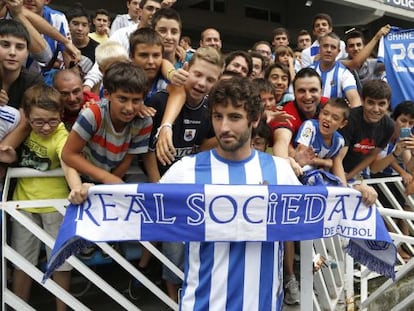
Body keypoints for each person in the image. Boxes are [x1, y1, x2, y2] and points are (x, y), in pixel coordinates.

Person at [145, 46, 222, 302]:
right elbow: (145, 151)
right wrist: (159, 186)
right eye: (198, 74)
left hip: (189, 189)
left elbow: (204, 146)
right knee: (174, 244)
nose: (202, 83)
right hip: (158, 186)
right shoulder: (160, 101)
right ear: (186, 70)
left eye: (210, 79)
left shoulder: (210, 111)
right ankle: (170, 294)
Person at [10, 84, 82, 311]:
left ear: (61, 115)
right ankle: (18, 306)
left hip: (56, 207)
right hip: (23, 205)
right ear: (27, 117)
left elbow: (68, 162)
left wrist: (76, 189)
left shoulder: (62, 135)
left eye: (52, 120)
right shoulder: (22, 130)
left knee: (60, 263)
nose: (45, 127)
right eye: (38, 121)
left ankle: (62, 308)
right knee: (22, 262)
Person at [61, 61, 153, 184]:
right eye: (122, 99)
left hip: (115, 177)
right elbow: (68, 154)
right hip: (83, 179)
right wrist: (105, 178)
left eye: (136, 101)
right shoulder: (93, 115)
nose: (129, 108)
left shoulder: (144, 122)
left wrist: (109, 184)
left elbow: (127, 159)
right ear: (107, 95)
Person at [335, 79, 395, 183]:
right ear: (362, 101)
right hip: (332, 167)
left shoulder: (389, 126)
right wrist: (343, 184)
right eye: (371, 103)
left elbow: (372, 155)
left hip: (354, 173)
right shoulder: (350, 119)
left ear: (388, 104)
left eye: (381, 104)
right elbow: (337, 158)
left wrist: (350, 176)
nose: (376, 109)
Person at [294, 97, 349, 178]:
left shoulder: (340, 141)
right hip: (300, 171)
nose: (327, 119)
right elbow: (303, 156)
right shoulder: (310, 127)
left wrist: (320, 162)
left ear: (343, 124)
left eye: (335, 118)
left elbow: (332, 162)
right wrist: (324, 162)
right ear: (320, 113)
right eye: (325, 113)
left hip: (320, 174)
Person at [310, 32, 361, 107]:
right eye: (325, 46)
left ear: (338, 52)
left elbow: (355, 100)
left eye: (333, 47)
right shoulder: (309, 71)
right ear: (319, 49)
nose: (329, 50)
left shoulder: (345, 74)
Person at [65, 4, 99, 78]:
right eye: (75, 24)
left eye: (84, 25)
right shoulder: (60, 43)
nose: (80, 28)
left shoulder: (98, 50)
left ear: (89, 27)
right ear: (68, 25)